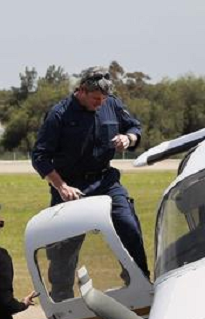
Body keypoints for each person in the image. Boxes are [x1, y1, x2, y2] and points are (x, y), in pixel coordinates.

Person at [30, 67, 150, 300]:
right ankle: (62, 300)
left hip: (105, 181)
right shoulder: (59, 114)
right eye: (96, 99)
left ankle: (140, 285)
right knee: (63, 248)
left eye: (103, 99)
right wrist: (61, 186)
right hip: (71, 187)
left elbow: (134, 127)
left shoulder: (111, 103)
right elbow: (40, 157)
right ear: (82, 91)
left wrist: (129, 138)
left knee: (129, 226)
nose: (100, 104)